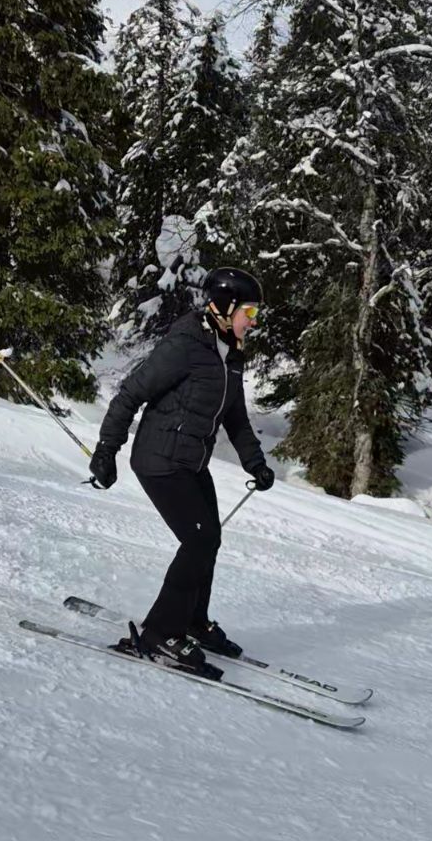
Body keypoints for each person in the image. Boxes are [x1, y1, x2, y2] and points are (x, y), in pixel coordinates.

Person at [88, 267, 275, 673]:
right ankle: (160, 633)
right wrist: (107, 450)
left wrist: (256, 463)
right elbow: (131, 393)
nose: (253, 321)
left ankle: (192, 620)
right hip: (159, 459)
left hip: (190, 460)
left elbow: (237, 418)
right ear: (225, 307)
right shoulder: (186, 344)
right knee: (199, 541)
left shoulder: (231, 354)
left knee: (210, 538)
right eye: (250, 312)